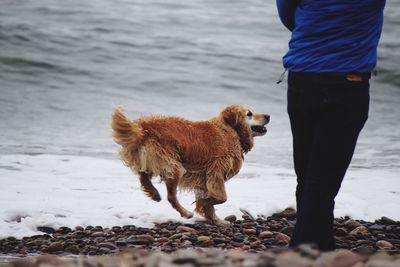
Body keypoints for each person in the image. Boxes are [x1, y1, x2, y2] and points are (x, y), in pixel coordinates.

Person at [276, 0, 386, 251]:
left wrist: (320, 30)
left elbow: (288, 17)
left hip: (302, 79)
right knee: (322, 182)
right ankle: (301, 251)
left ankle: (322, 246)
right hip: (347, 84)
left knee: (307, 175)